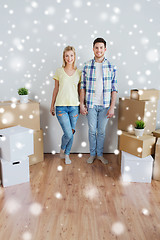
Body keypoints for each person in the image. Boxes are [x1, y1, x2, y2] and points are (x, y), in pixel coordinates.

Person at [80, 37, 117, 164]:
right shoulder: (86, 66)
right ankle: (92, 154)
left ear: (105, 49)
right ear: (93, 49)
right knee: (91, 131)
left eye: (101, 47)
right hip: (91, 104)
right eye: (96, 47)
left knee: (101, 132)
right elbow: (82, 87)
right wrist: (81, 104)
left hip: (105, 105)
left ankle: (100, 154)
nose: (99, 50)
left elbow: (114, 88)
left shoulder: (111, 66)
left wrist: (112, 107)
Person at [50, 46, 81, 164]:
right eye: (67, 55)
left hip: (74, 108)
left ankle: (66, 155)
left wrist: (82, 105)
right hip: (61, 107)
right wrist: (52, 105)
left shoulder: (79, 72)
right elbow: (55, 89)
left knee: (71, 132)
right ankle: (62, 149)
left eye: (71, 55)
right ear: (64, 57)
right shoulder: (59, 71)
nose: (69, 58)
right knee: (68, 133)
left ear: (74, 57)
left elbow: (79, 91)